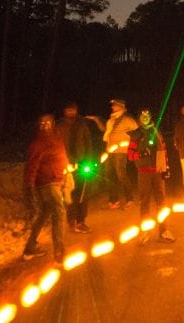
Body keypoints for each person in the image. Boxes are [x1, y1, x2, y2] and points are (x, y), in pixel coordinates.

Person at [23, 113, 71, 261]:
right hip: (47, 183)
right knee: (60, 212)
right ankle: (59, 251)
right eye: (42, 124)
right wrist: (29, 185)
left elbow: (62, 157)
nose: (44, 126)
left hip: (57, 180)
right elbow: (31, 166)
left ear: (53, 124)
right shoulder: (37, 144)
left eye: (47, 123)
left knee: (45, 213)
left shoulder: (57, 139)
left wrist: (67, 172)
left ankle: (30, 248)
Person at [128, 108, 176, 243]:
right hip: (144, 172)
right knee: (145, 202)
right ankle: (145, 231)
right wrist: (141, 154)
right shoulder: (136, 135)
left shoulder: (157, 132)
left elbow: (164, 151)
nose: (145, 118)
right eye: (142, 116)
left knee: (161, 202)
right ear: (139, 118)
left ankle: (164, 231)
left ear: (150, 118)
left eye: (147, 116)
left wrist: (166, 169)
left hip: (158, 172)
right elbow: (130, 155)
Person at [55, 100, 99, 233]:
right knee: (69, 194)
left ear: (76, 110)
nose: (70, 112)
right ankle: (71, 220)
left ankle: (81, 221)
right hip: (66, 164)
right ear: (64, 111)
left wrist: (89, 159)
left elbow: (88, 142)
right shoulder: (60, 126)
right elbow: (56, 145)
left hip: (82, 163)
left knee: (82, 194)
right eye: (68, 110)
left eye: (72, 110)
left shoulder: (82, 124)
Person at [97, 98, 138, 209]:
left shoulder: (127, 119)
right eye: (112, 105)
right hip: (109, 151)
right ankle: (114, 201)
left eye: (114, 105)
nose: (112, 107)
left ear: (121, 107)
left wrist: (130, 143)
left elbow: (137, 132)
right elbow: (107, 134)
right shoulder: (111, 120)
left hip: (121, 151)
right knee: (109, 175)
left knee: (121, 175)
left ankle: (130, 200)